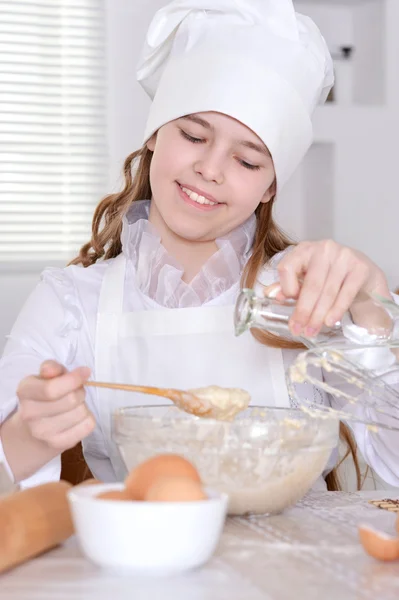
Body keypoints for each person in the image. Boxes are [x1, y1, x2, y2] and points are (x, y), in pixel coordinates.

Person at [0, 0, 398, 490]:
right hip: (140, 562)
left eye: (248, 161)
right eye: (192, 134)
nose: (210, 168)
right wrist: (26, 436)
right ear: (153, 136)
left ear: (270, 186)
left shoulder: (305, 300)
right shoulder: (71, 302)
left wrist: (372, 311)